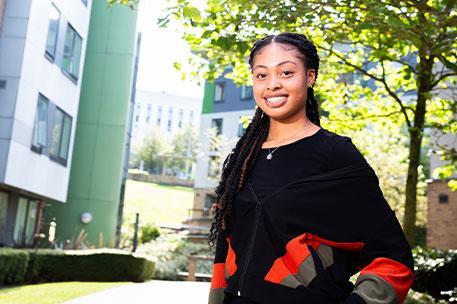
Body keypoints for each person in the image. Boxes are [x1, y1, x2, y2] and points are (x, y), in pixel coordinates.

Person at [207, 32, 414, 304]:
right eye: (261, 75)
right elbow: (226, 253)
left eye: (286, 72)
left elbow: (393, 257)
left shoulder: (335, 154)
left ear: (310, 77)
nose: (272, 85)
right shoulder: (241, 160)